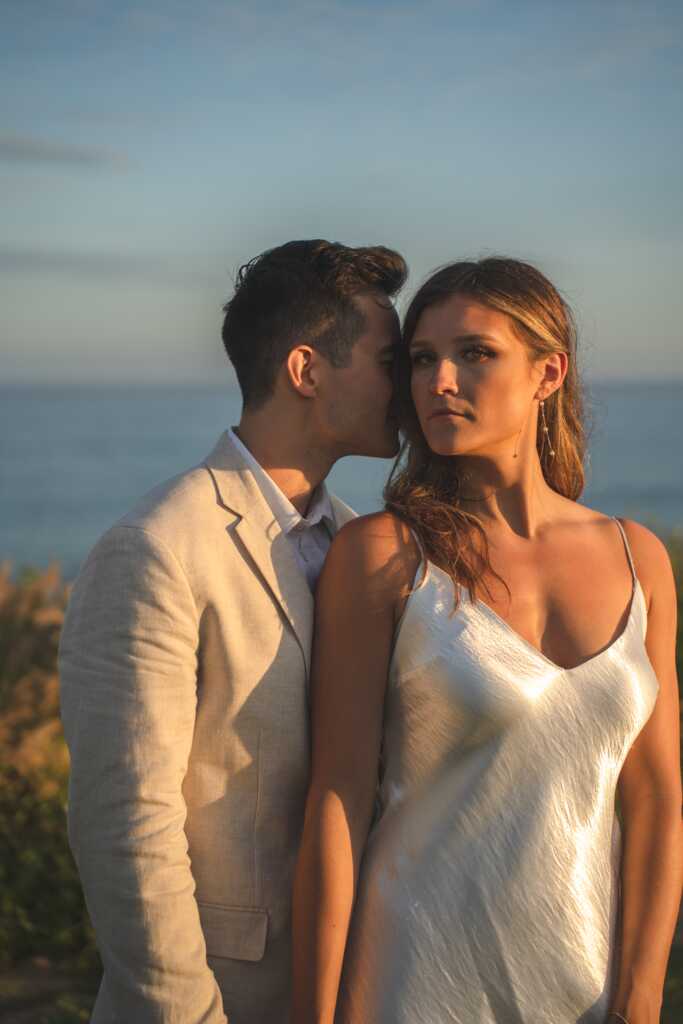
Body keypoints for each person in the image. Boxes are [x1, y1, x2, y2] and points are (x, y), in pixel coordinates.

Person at [291, 257, 682, 1024]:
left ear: (547, 374)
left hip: (587, 990)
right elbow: (335, 798)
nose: (439, 380)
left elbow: (656, 797)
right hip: (413, 986)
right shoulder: (383, 555)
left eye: (474, 354)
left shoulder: (640, 559)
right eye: (422, 359)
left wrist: (638, 1001)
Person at [58, 238, 407, 1024]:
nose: (411, 385)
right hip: (225, 998)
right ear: (307, 370)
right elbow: (124, 826)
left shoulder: (359, 542)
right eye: (390, 361)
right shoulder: (156, 545)